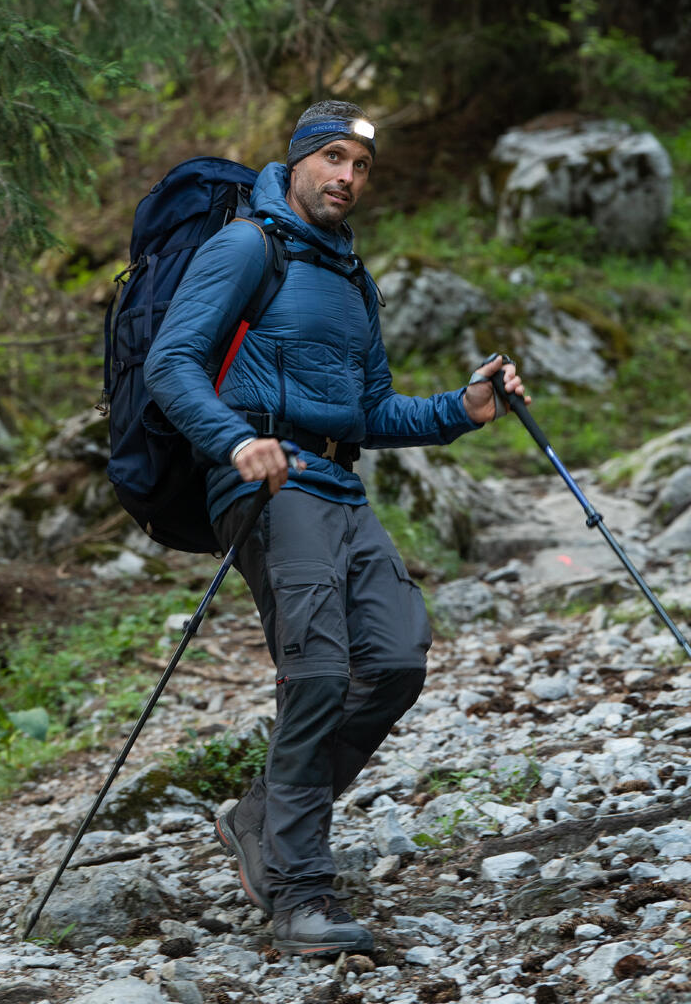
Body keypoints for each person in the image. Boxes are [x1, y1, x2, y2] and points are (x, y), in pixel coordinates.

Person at [144, 100, 528, 956]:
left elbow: (368, 410)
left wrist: (463, 408)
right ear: (296, 163)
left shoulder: (353, 278)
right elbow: (170, 362)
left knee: (393, 659)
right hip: (268, 488)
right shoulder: (250, 245)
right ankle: (298, 894)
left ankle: (259, 820)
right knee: (316, 672)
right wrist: (236, 440)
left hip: (338, 490)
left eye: (361, 166)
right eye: (332, 159)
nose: (348, 178)